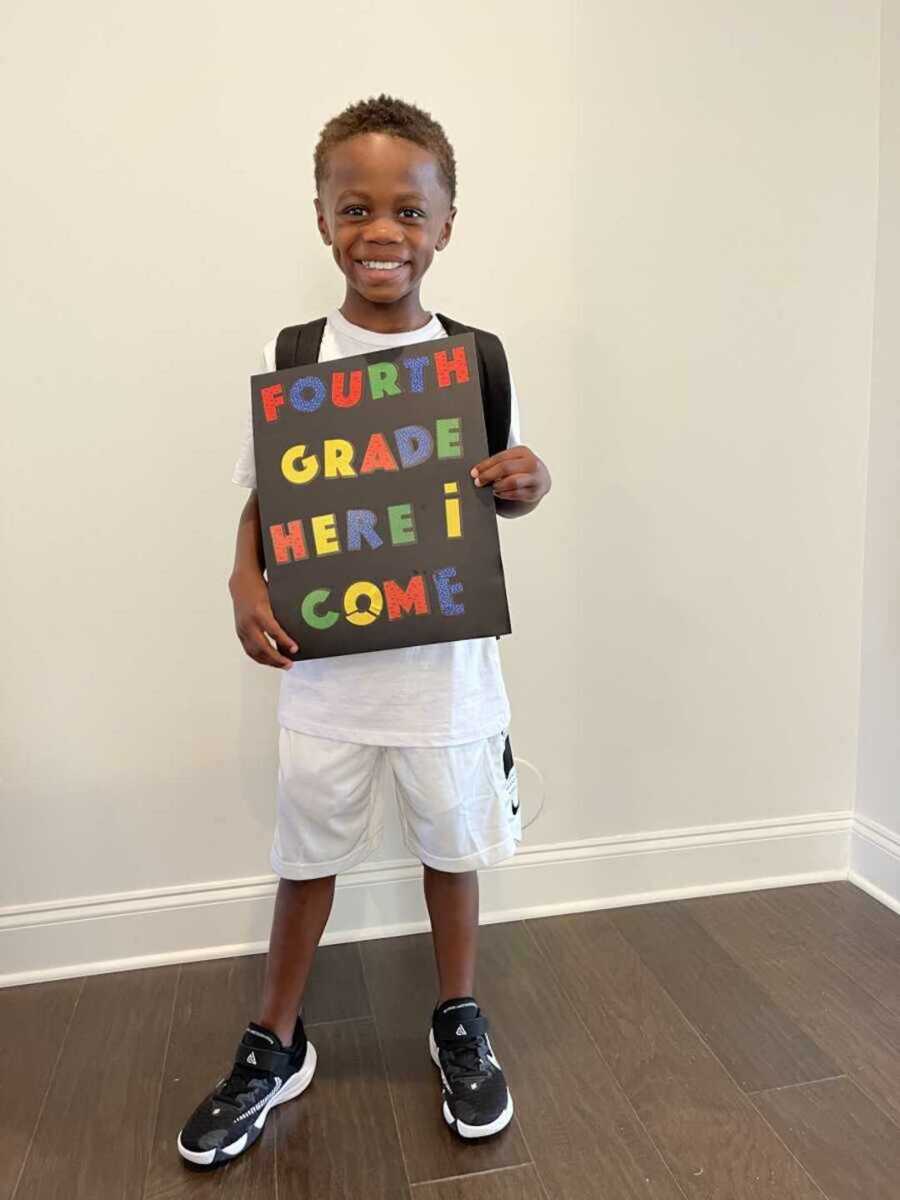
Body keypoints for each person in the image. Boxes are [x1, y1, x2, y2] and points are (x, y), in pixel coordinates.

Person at [177, 93, 551, 1169]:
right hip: (330, 673)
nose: (380, 231)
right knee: (309, 857)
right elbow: (265, 500)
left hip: (444, 671)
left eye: (406, 210)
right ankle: (275, 1038)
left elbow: (506, 486)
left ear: (444, 224)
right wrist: (244, 583)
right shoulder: (295, 349)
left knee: (452, 844)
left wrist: (532, 479)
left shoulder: (475, 358)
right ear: (322, 219)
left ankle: (458, 1016)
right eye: (355, 208)